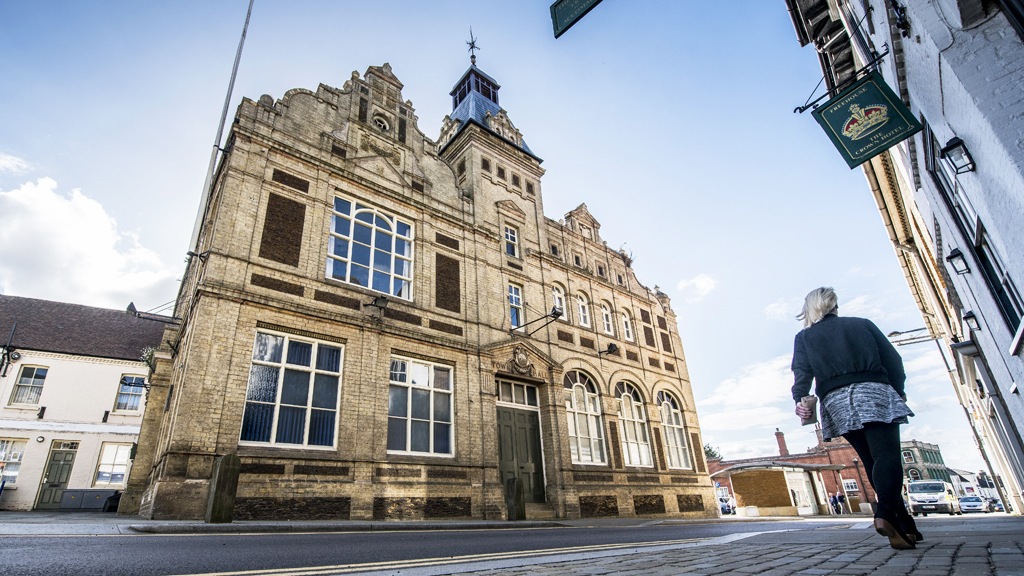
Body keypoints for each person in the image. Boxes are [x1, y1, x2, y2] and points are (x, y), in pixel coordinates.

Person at [791, 287, 920, 550]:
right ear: (835, 305)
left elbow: (801, 372)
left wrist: (799, 399)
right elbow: (893, 360)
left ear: (810, 309)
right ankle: (885, 513)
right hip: (872, 391)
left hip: (835, 401)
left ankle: (906, 525)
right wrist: (898, 392)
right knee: (887, 457)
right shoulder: (862, 325)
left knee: (872, 461)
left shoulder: (804, 337)